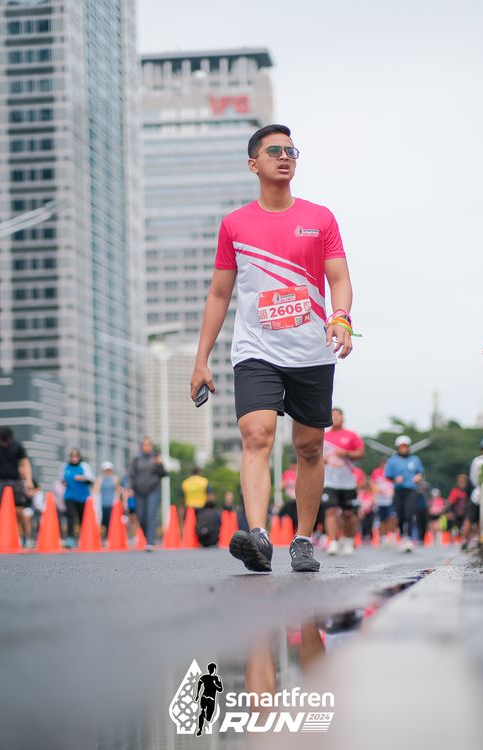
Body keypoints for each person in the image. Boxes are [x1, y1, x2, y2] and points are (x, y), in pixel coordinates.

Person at [190, 123, 354, 573]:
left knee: (309, 447)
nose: (285, 157)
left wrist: (341, 317)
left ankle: (302, 539)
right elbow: (219, 294)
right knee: (257, 434)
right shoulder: (235, 224)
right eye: (274, 151)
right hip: (256, 349)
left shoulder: (320, 218)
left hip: (311, 349)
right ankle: (259, 536)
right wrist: (201, 360)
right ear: (253, 164)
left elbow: (339, 277)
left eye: (291, 151)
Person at [322, 408, 365, 556]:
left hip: (347, 483)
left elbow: (361, 453)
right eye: (332, 415)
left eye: (337, 415)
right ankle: (333, 541)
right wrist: (323, 460)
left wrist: (346, 453)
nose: (335, 418)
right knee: (330, 511)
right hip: (330, 482)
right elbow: (316, 455)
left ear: (342, 417)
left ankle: (348, 540)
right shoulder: (324, 437)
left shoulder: (351, 435)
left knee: (348, 514)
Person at [384, 436, 424, 552]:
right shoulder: (392, 460)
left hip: (411, 490)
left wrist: (418, 477)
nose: (403, 449)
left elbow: (420, 472)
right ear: (398, 448)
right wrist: (395, 479)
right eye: (401, 446)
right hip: (398, 490)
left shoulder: (415, 459)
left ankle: (409, 538)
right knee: (400, 515)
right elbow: (388, 475)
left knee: (409, 514)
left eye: (405, 446)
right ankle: (402, 536)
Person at [128, 437, 167, 552]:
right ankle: (148, 537)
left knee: (151, 515)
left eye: (149, 444)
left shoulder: (155, 458)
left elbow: (164, 474)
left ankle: (150, 542)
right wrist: (129, 488)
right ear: (142, 446)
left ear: (151, 446)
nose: (147, 446)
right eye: (145, 444)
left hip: (153, 490)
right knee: (141, 517)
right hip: (139, 491)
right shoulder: (136, 459)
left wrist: (159, 464)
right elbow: (131, 475)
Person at [0, 427, 34, 546]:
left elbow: (25, 463)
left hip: (16, 481)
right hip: (0, 481)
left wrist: (28, 481)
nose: (4, 444)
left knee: (19, 511)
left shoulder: (17, 446)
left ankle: (28, 537)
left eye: (6, 441)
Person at [60, 448, 94, 548]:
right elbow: (61, 480)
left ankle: (84, 538)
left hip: (82, 497)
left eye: (76, 456)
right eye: (72, 456)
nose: (74, 458)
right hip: (70, 496)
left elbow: (91, 479)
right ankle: (70, 538)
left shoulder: (84, 466)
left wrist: (83, 478)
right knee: (70, 516)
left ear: (79, 457)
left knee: (82, 518)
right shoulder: (65, 467)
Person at [462, 437, 483, 550]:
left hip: (477, 494)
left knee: (470, 518)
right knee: (479, 519)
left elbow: (473, 479)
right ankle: (477, 539)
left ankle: (465, 541)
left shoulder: (477, 461)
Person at [92, 462, 121, 538]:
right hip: (102, 504)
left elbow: (118, 490)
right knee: (102, 521)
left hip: (111, 504)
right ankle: (103, 536)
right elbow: (96, 490)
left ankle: (109, 536)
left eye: (109, 470)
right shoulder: (100, 479)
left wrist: (118, 501)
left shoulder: (114, 479)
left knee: (110, 520)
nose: (107, 472)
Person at [370, 460, 395, 544]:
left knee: (391, 518)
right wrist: (377, 491)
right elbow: (372, 484)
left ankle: (391, 535)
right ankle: (383, 536)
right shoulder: (376, 472)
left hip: (390, 500)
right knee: (382, 519)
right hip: (380, 501)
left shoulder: (391, 473)